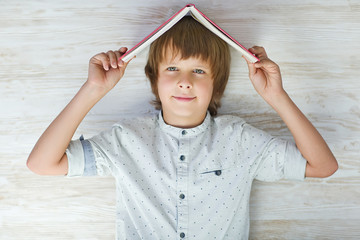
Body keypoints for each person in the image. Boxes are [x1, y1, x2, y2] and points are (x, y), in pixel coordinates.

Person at [27, 17, 338, 239]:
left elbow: (323, 166)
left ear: (217, 84)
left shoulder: (239, 139)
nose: (184, 81)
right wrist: (93, 88)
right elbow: (41, 164)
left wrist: (276, 96)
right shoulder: (125, 140)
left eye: (199, 70)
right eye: (172, 68)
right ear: (153, 78)